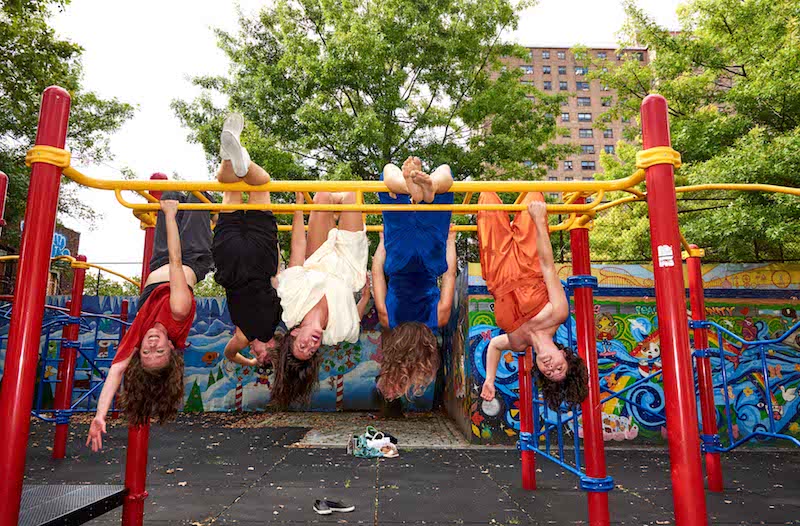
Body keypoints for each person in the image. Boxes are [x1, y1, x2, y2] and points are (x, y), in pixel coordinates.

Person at [87, 191, 213, 451]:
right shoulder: (178, 313)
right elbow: (177, 262)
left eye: (146, 352)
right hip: (191, 257)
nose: (152, 343)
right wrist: (169, 216)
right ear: (171, 348)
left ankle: (174, 205)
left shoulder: (138, 335)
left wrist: (100, 415)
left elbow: (116, 372)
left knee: (168, 194)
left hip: (158, 261)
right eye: (159, 350)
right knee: (198, 198)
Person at [477, 193, 588, 410]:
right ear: (565, 355)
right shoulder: (558, 313)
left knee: (486, 196)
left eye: (549, 374)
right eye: (560, 369)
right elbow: (548, 266)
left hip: (497, 271)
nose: (551, 369)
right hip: (530, 263)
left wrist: (490, 379)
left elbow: (494, 345)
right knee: (533, 196)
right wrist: (539, 221)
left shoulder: (518, 343)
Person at [272, 189, 371, 407]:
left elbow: (297, 250)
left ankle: (333, 215)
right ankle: (336, 215)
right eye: (311, 352)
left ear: (294, 334)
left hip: (319, 255)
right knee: (351, 197)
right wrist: (364, 297)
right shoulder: (337, 334)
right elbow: (355, 321)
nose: (311, 346)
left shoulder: (291, 307)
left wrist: (298, 205)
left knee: (322, 196)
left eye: (302, 346)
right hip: (349, 264)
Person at [371, 156, 457, 400]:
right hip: (399, 255)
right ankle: (408, 187)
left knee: (445, 171)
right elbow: (377, 273)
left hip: (431, 256)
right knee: (388, 172)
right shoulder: (388, 319)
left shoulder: (439, 318)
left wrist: (450, 241)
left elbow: (449, 273)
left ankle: (428, 191)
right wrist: (382, 244)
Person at [212, 113, 281, 369]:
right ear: (272, 346)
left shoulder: (270, 324)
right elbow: (230, 355)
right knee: (232, 193)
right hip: (236, 264)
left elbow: (278, 280)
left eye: (261, 356)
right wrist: (251, 362)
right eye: (265, 354)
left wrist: (252, 362)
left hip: (257, 261)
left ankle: (238, 160)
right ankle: (232, 157)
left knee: (260, 187)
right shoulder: (245, 336)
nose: (260, 351)